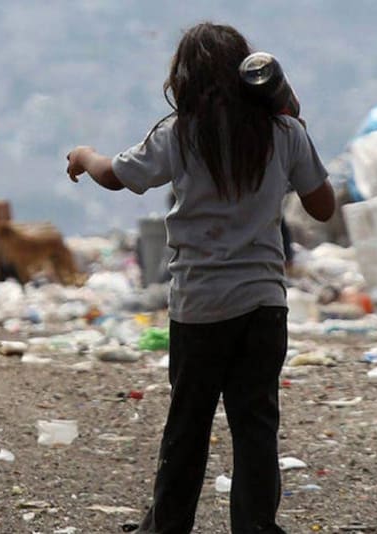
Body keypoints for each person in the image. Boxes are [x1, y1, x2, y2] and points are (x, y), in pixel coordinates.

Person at [65, 22, 334, 533]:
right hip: (263, 305)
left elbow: (116, 176)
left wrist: (83, 156)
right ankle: (256, 527)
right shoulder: (284, 133)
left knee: (188, 425)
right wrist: (292, 118)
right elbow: (323, 207)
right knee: (256, 426)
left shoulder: (180, 132)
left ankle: (168, 526)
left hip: (200, 305)